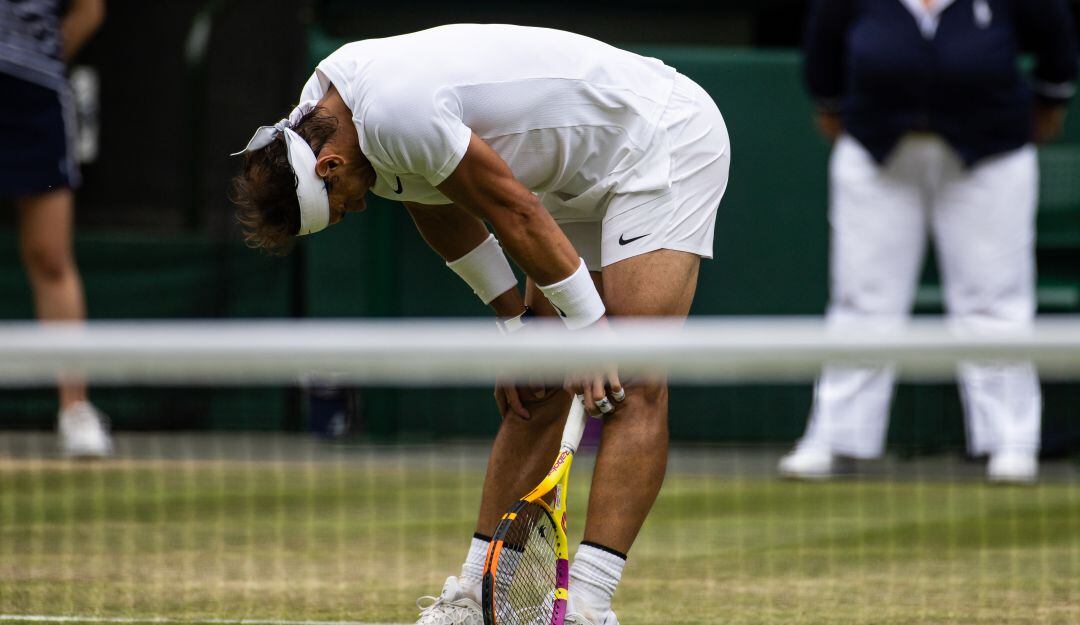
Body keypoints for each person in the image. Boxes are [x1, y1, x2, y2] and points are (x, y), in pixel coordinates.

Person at [230, 24, 730, 625]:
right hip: (570, 174)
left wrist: (593, 333)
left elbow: (513, 210)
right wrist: (516, 326)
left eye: (343, 206)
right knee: (537, 380)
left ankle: (589, 607)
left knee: (633, 377)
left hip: (658, 138)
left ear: (329, 167)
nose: (357, 208)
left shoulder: (389, 114)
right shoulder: (320, 120)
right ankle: (473, 596)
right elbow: (431, 203)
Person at [778, 0, 1078, 483]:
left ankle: (1010, 443)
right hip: (877, 151)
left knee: (994, 299)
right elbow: (822, 57)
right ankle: (837, 438)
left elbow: (1057, 48)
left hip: (990, 154)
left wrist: (1048, 102)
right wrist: (836, 109)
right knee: (862, 298)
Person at [1, 0, 112, 458]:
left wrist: (37, 56)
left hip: (35, 97)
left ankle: (75, 410)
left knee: (49, 256)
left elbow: (90, 9)